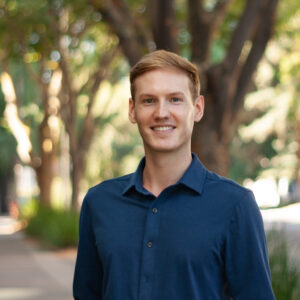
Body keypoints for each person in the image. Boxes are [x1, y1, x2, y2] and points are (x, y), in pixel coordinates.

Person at [73, 50, 275, 300]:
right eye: (149, 101)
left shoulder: (235, 205)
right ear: (132, 110)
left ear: (198, 108)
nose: (161, 112)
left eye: (175, 100)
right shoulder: (99, 203)